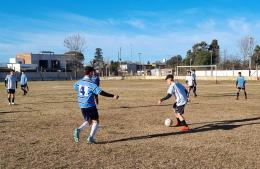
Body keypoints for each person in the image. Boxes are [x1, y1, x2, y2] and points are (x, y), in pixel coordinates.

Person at [73, 66, 119, 144]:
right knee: (96, 121)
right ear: (91, 72)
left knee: (89, 121)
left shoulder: (79, 82)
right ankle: (90, 138)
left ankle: (78, 130)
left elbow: (75, 88)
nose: (93, 73)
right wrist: (113, 96)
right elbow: (100, 92)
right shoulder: (91, 84)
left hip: (82, 105)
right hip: (90, 105)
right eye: (93, 72)